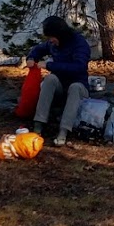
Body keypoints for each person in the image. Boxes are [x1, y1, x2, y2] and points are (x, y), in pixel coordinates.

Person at [27, 15, 91, 145]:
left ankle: (63, 131)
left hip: (79, 86)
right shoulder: (53, 44)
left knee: (75, 87)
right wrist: (31, 57)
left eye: (52, 37)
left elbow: (79, 67)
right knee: (50, 78)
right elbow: (39, 49)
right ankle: (38, 125)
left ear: (60, 34)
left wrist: (50, 65)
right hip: (60, 86)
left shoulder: (79, 43)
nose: (50, 41)